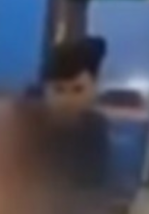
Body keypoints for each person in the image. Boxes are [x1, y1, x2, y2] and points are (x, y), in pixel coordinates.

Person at [42, 36, 112, 195]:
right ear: (45, 90)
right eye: (58, 90)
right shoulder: (29, 127)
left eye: (78, 89)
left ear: (94, 88)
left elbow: (95, 186)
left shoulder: (96, 127)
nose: (67, 100)